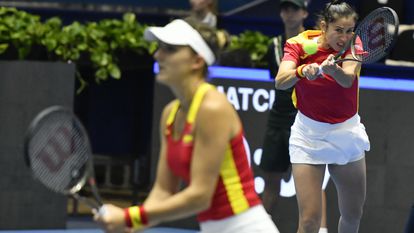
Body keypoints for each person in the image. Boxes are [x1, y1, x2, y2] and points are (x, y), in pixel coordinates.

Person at [94, 18, 279, 233]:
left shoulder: (212, 107)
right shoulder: (170, 114)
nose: (157, 55)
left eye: (170, 49)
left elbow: (200, 196)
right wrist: (133, 226)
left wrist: (129, 216)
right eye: (159, 48)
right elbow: (164, 189)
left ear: (197, 61)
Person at [275, 2, 370, 233]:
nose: (344, 37)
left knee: (352, 215)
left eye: (349, 30)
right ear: (323, 26)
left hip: (346, 133)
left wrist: (332, 70)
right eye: (338, 30)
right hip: (308, 136)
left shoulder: (354, 46)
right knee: (309, 222)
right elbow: (280, 81)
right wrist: (302, 70)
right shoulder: (298, 44)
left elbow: (347, 79)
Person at [260, 0, 328, 232]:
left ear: (304, 13)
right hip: (278, 118)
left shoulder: (315, 44)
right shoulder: (273, 45)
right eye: (285, 9)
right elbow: (277, 80)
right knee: (270, 180)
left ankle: (322, 229)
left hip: (307, 118)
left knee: (313, 182)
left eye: (294, 9)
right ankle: (260, 227)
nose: (289, 14)